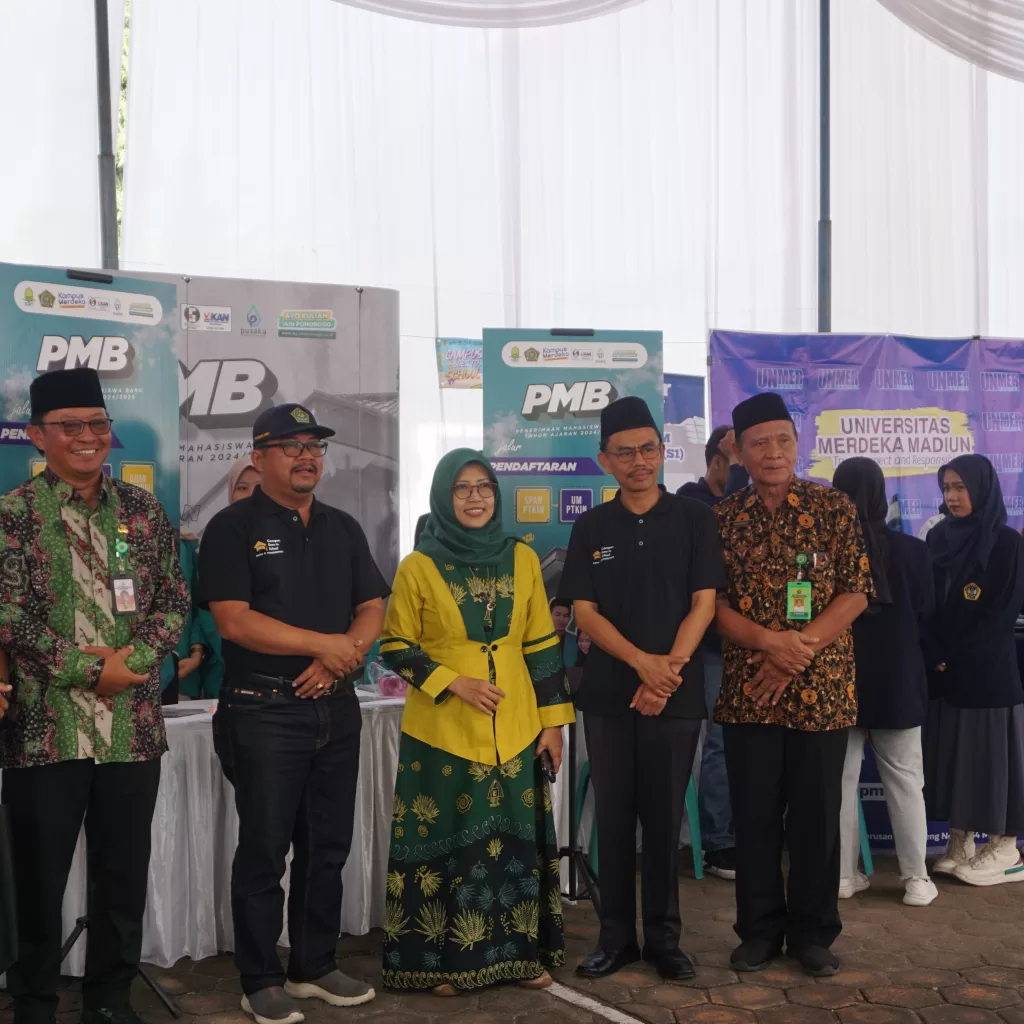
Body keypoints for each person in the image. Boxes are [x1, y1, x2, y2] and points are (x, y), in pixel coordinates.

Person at [0, 367, 189, 1024]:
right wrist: (86, 670)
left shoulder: (142, 511)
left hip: (130, 730)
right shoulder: (14, 516)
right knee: (37, 881)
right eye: (70, 425)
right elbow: (8, 614)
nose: (88, 436)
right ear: (37, 436)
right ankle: (33, 1005)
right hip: (44, 730)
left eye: (98, 424)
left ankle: (109, 1000)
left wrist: (130, 662)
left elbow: (174, 601)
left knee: (122, 877)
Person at [200, 403, 389, 1024]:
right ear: (259, 457)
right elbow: (234, 620)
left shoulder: (342, 526)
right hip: (264, 710)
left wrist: (343, 655)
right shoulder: (231, 527)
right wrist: (323, 646)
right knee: (264, 849)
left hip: (335, 707)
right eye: (291, 446)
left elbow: (371, 605)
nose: (307, 457)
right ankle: (259, 978)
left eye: (314, 447)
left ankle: (314, 965)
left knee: (327, 847)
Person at [378, 449, 574, 994]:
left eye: (484, 486)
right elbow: (394, 645)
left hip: (516, 727)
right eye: (461, 488)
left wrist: (553, 724)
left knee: (515, 845)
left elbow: (541, 644)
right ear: (444, 496)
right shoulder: (418, 565)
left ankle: (521, 958)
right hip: (441, 732)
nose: (475, 497)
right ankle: (442, 964)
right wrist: (453, 682)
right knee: (449, 846)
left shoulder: (522, 558)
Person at [561, 396, 725, 982]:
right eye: (625, 452)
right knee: (612, 818)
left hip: (675, 696)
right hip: (609, 695)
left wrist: (667, 673)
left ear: (662, 452)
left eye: (648, 449)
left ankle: (664, 941)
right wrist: (640, 664)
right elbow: (585, 611)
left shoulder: (694, 519)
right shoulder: (591, 526)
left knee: (663, 820)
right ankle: (615, 940)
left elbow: (704, 603)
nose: (639, 462)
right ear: (604, 460)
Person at [713, 392, 871, 978]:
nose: (773, 452)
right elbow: (713, 605)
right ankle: (757, 932)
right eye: (760, 443)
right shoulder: (723, 519)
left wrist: (796, 649)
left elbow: (856, 591)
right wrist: (768, 643)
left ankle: (813, 934)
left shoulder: (833, 507)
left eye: (783, 440)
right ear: (739, 451)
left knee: (816, 817)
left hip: (821, 688)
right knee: (754, 818)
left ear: (797, 444)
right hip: (750, 690)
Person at [832, 458, 937, 908]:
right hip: (898, 680)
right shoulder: (914, 551)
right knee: (907, 782)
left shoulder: (826, 550)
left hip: (838, 681)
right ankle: (917, 880)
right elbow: (928, 614)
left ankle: (842, 876)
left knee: (839, 783)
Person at [924, 454, 1024, 886]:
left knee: (993, 764)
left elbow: (1001, 613)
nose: (952, 496)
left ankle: (1004, 847)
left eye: (961, 487)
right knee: (957, 761)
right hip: (945, 675)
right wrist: (933, 650)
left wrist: (955, 655)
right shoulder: (937, 537)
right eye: (947, 488)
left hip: (987, 675)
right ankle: (960, 839)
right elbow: (926, 601)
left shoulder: (1006, 543)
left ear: (981, 488)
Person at [677, 427, 748, 881]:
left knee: (753, 744)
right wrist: (739, 470)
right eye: (740, 460)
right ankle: (718, 843)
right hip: (713, 648)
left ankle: (751, 834)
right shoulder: (692, 501)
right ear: (720, 460)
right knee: (720, 744)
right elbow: (728, 522)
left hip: (756, 643)